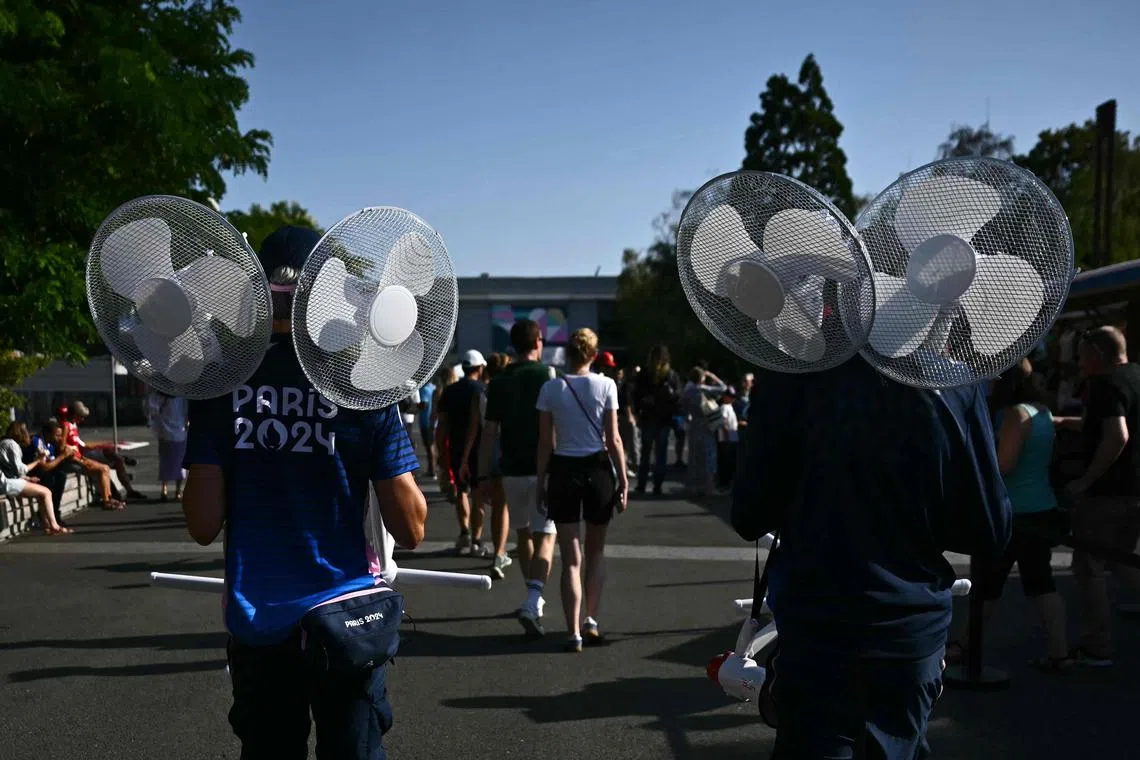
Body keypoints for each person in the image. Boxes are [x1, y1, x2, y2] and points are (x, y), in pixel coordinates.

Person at [181, 225, 427, 760]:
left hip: (260, 620)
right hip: (347, 622)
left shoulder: (221, 388)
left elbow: (201, 526)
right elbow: (411, 528)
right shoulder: (361, 385)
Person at [733, 357, 1011, 758]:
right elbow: (990, 529)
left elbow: (749, 515)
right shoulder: (952, 385)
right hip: (910, 626)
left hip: (815, 625)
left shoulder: (790, 377)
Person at [947, 358, 1072, 669]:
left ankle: (966, 645)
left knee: (989, 584)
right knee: (1039, 583)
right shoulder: (1041, 411)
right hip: (1039, 506)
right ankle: (1060, 652)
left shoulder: (1016, 415)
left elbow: (1004, 465)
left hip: (1015, 512)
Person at [536, 328, 628, 651]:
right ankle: (592, 620)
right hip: (598, 469)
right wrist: (624, 478)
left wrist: (540, 482)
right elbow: (614, 438)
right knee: (595, 552)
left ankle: (573, 631)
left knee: (570, 558)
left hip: (563, 470)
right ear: (592, 354)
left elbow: (546, 443)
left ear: (568, 354)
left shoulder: (550, 389)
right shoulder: (606, 385)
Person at [1054, 325, 1140, 667]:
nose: (1078, 361)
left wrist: (1086, 481)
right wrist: (1067, 422)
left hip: (1108, 492)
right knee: (1121, 560)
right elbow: (1106, 425)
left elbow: (1116, 435)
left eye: (1081, 354)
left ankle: (1098, 646)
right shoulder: (1136, 376)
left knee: (1088, 565)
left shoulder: (1106, 384)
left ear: (1097, 355)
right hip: (1136, 488)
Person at [480, 320, 557, 618]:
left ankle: (530, 595)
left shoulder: (499, 381)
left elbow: (489, 432)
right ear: (538, 342)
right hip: (545, 469)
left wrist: (484, 474)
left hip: (510, 468)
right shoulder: (550, 375)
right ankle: (535, 598)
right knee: (546, 535)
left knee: (523, 533)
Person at [459, 351, 511, 559]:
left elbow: (473, 430)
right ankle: (503, 550)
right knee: (508, 504)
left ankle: (485, 543)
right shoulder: (511, 392)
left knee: (491, 502)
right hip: (510, 446)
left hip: (487, 447)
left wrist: (465, 459)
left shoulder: (482, 394)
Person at [437, 349, 487, 554]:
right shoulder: (483, 390)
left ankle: (464, 532)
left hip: (455, 446)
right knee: (478, 494)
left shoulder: (450, 391)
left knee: (461, 491)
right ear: (480, 367)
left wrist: (440, 453)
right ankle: (477, 538)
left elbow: (442, 426)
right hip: (480, 447)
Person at [0, 421, 72, 535]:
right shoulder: (11, 444)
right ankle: (54, 525)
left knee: (41, 490)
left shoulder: (6, 443)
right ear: (21, 433)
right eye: (26, 432)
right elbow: (20, 469)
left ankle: (47, 525)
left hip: (7, 480)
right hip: (6, 483)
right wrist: (38, 461)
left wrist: (27, 479)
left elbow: (12, 470)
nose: (28, 434)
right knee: (46, 492)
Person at [62, 401, 144, 500]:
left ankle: (128, 490)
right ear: (74, 415)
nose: (82, 419)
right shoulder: (65, 426)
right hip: (80, 455)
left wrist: (96, 446)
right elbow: (64, 445)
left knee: (115, 458)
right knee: (106, 464)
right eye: (81, 416)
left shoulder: (74, 425)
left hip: (83, 450)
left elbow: (79, 442)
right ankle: (112, 496)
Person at [633, 345, 682, 497]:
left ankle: (642, 484)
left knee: (646, 452)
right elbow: (678, 397)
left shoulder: (645, 374)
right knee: (660, 453)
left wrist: (641, 406)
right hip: (664, 418)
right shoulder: (671, 375)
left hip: (649, 417)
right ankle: (657, 485)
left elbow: (636, 395)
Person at [681, 367, 727, 497]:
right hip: (707, 425)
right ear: (701, 378)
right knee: (709, 456)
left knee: (694, 457)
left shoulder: (688, 391)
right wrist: (713, 376)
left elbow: (684, 408)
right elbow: (723, 388)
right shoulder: (704, 389)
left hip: (694, 425)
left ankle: (693, 486)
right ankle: (709, 486)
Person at [145, 389, 189, 501]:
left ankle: (165, 489)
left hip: (165, 433)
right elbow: (186, 413)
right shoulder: (182, 396)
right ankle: (178, 491)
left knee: (165, 462)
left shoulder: (160, 396)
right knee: (180, 463)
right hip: (179, 433)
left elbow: (152, 410)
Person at [716, 387, 739, 492]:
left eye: (733, 397)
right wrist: (727, 438)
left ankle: (727, 483)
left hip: (732, 434)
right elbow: (723, 423)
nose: (732, 399)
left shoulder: (729, 406)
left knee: (730, 460)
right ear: (725, 397)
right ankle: (724, 484)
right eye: (730, 396)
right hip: (727, 437)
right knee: (725, 461)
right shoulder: (724, 407)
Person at [417, 375, 437, 478]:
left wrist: (415, 405)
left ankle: (432, 470)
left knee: (429, 447)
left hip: (426, 421)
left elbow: (423, 404)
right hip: (433, 421)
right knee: (431, 445)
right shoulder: (433, 387)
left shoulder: (424, 389)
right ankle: (431, 469)